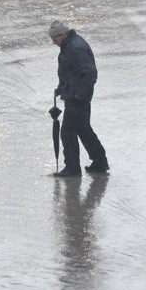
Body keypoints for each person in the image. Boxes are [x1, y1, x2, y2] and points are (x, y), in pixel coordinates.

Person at [49, 20, 109, 177]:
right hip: (74, 94)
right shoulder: (70, 45)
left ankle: (73, 168)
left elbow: (90, 73)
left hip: (77, 98)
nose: (53, 42)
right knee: (83, 129)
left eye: (54, 38)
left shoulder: (75, 48)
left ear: (62, 35)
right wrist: (61, 88)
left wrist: (79, 94)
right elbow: (71, 73)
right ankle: (99, 162)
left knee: (68, 132)